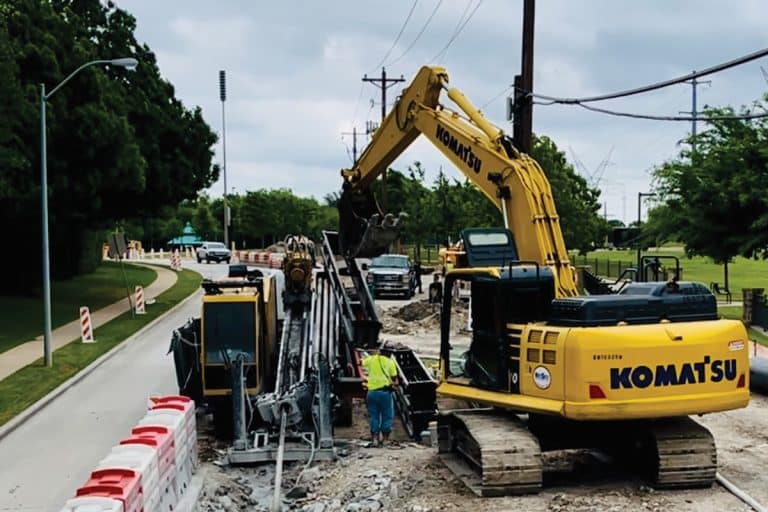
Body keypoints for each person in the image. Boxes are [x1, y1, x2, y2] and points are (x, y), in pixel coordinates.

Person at [361, 343, 398, 447]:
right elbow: (394, 378)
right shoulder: (390, 363)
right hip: (385, 393)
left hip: (371, 393)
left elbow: (361, 363)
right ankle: (385, 439)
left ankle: (375, 439)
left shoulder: (372, 359)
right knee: (387, 416)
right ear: (389, 353)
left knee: (374, 416)